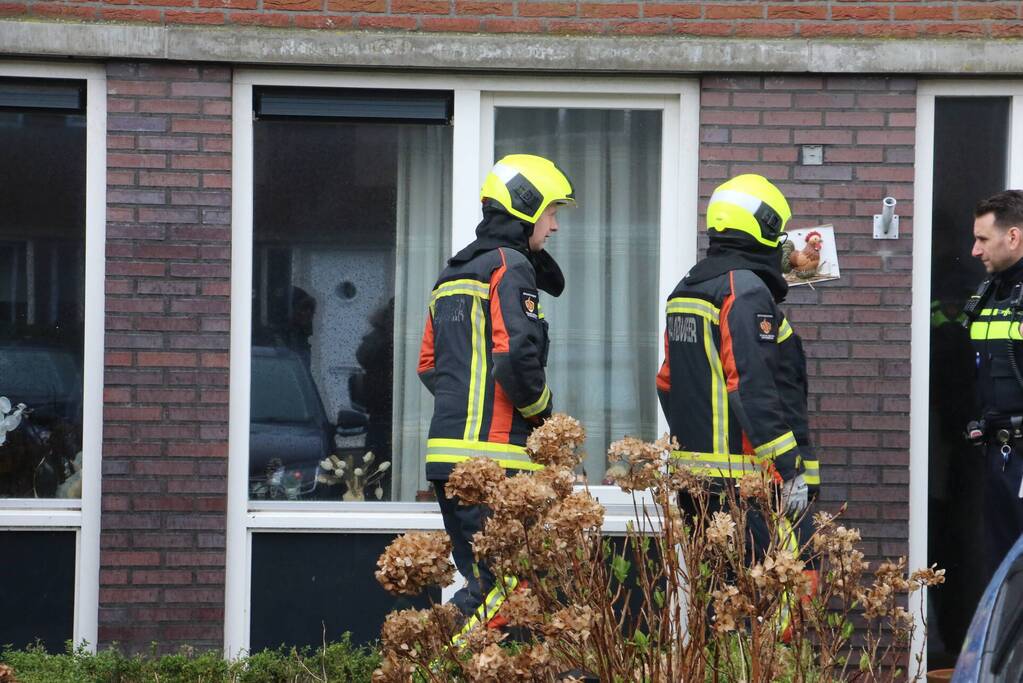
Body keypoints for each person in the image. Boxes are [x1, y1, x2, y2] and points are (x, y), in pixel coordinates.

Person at [417, 153, 575, 636]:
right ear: (526, 208)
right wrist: (545, 421)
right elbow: (514, 359)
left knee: (499, 588)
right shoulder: (509, 266)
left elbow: (428, 366)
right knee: (506, 590)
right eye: (551, 212)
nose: (554, 226)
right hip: (495, 463)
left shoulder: (452, 275)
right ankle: (435, 665)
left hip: (449, 461)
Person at [656, 173, 814, 579]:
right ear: (761, 229)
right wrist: (790, 468)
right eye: (777, 234)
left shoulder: (686, 289)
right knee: (776, 597)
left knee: (721, 606)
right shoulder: (743, 290)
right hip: (748, 482)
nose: (782, 244)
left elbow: (667, 383)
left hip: (697, 484)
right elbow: (751, 387)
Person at [966, 189, 1023, 576]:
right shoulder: (992, 293)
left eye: (983, 239)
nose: (974, 250)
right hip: (1000, 456)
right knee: (1003, 572)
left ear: (1013, 237)